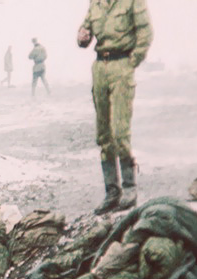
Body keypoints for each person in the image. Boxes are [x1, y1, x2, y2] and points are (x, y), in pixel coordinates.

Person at [77, 0, 153, 214]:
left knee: (120, 132)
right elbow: (85, 33)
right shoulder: (96, 3)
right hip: (100, 68)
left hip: (122, 66)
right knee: (103, 134)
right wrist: (81, 37)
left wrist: (132, 62)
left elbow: (145, 32)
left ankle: (129, 188)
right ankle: (112, 192)